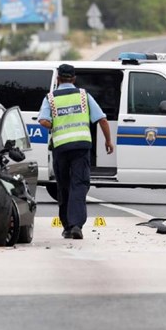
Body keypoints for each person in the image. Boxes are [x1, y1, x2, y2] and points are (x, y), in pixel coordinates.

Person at [38, 64, 114, 240]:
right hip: (81, 146)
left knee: (63, 186)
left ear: (58, 79)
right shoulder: (83, 95)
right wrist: (108, 141)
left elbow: (43, 120)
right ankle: (76, 225)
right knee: (78, 185)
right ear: (73, 78)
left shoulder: (50, 98)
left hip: (61, 147)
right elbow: (102, 119)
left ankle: (66, 226)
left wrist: (56, 125)